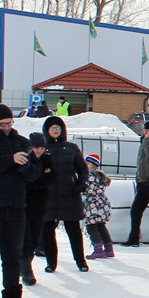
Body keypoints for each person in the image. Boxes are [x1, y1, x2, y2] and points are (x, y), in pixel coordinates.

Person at [0, 103, 42, 298]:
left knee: (13, 259)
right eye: (2, 124)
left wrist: (23, 166)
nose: (6, 127)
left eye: (10, 123)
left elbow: (35, 174)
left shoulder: (23, 143)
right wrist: (9, 160)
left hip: (15, 210)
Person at [40, 116, 90, 273]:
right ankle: (51, 263)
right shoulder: (42, 148)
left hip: (69, 194)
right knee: (47, 231)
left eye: (58, 127)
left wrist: (81, 184)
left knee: (73, 230)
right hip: (47, 195)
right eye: (52, 128)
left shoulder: (71, 148)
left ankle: (80, 261)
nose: (55, 130)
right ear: (46, 131)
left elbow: (82, 169)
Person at [20, 132, 54, 285]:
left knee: (34, 238)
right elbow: (27, 179)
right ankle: (26, 269)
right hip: (24, 204)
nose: (38, 151)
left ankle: (26, 263)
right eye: (35, 147)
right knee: (26, 238)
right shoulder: (25, 159)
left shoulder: (47, 159)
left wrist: (39, 177)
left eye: (41, 147)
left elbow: (52, 177)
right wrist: (41, 175)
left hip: (41, 204)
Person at [81, 155, 114, 259]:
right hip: (102, 203)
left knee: (91, 226)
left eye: (88, 164)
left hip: (93, 204)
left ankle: (98, 249)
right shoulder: (100, 176)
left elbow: (86, 189)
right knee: (101, 225)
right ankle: (109, 249)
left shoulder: (90, 176)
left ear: (94, 165)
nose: (85, 166)